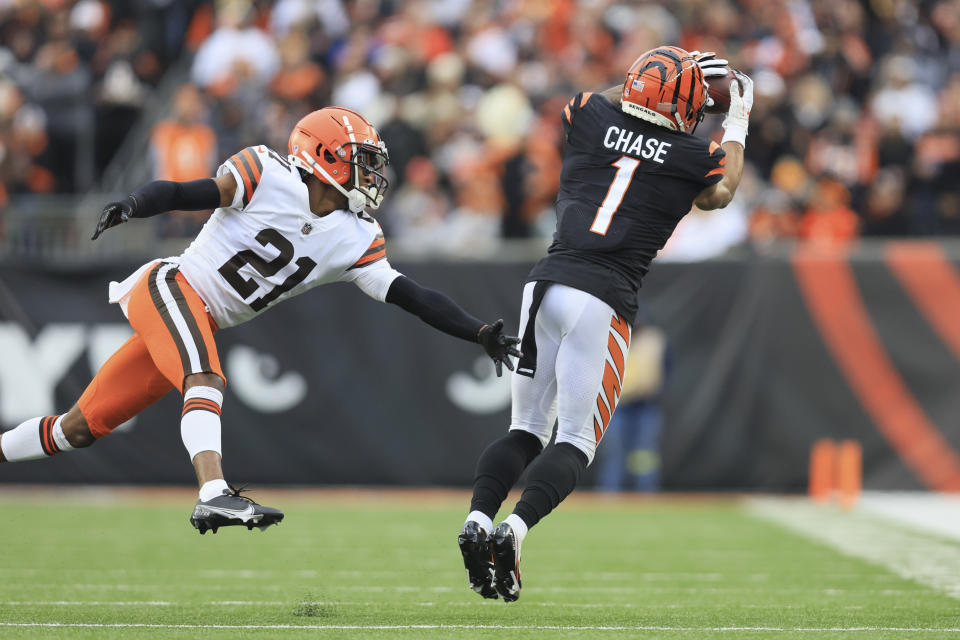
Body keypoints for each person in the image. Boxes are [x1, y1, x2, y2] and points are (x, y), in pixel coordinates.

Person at [0, 106, 520, 535]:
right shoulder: (266, 173)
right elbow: (188, 192)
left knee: (79, 428)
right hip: (171, 288)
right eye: (359, 160)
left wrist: (476, 331)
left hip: (196, 317)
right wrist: (135, 203)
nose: (371, 172)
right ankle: (213, 493)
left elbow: (412, 295)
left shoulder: (356, 237)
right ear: (324, 157)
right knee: (204, 378)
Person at [457, 47, 752, 601]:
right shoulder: (691, 153)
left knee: (523, 430)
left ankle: (476, 519)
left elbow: (600, 100)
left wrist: (656, 74)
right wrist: (736, 117)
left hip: (543, 283)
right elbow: (722, 191)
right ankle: (513, 532)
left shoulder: (592, 116)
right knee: (575, 440)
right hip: (603, 296)